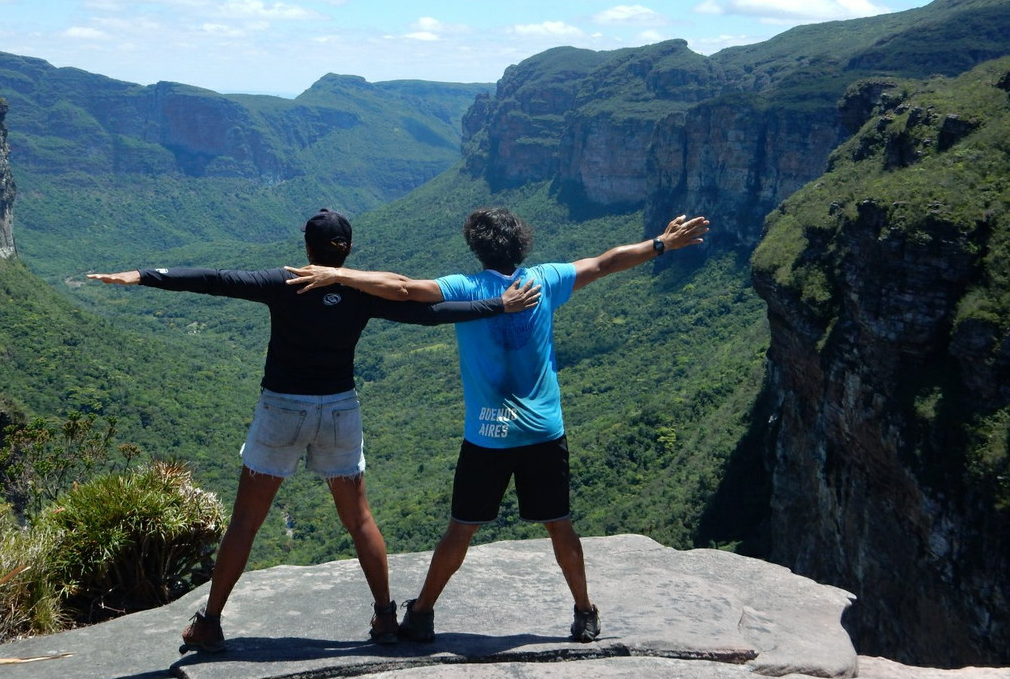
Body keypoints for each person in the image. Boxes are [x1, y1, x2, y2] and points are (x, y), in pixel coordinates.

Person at [86, 208, 539, 653]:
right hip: (340, 411)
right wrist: (497, 304)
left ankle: (210, 623)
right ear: (347, 251)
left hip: (282, 409)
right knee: (359, 518)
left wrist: (144, 275)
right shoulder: (361, 292)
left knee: (246, 521)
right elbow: (432, 313)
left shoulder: (284, 281)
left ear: (307, 246)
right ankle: (384, 617)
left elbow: (214, 279)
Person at [286, 208, 710, 643]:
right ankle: (584, 612)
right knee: (559, 525)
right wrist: (662, 243)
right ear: (521, 243)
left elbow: (403, 288)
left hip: (487, 435)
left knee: (461, 528)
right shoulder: (544, 280)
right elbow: (606, 262)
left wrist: (338, 276)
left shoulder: (467, 288)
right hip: (543, 432)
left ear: (476, 246)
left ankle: (423, 613)